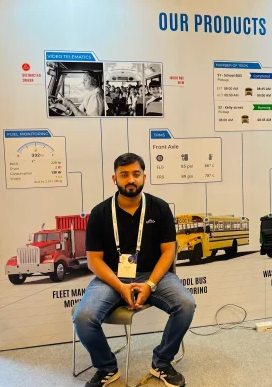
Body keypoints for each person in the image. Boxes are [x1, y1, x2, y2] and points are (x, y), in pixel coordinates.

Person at [73, 153, 195, 387]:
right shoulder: (100, 213)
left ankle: (162, 363)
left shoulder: (159, 208)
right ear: (114, 179)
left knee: (186, 305)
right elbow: (94, 260)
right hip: (111, 277)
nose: (131, 179)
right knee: (83, 317)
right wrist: (120, 286)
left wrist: (150, 285)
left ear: (144, 177)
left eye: (136, 174)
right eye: (124, 175)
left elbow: (168, 252)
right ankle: (106, 368)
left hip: (153, 274)